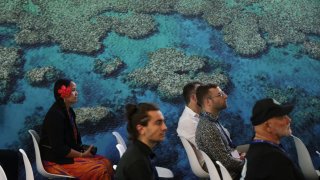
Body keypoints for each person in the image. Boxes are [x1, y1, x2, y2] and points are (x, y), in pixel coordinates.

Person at [39, 78, 113, 179]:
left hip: (66, 155)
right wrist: (82, 155)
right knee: (100, 170)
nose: (76, 93)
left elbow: (73, 141)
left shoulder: (69, 112)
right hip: (55, 161)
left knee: (107, 162)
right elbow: (59, 148)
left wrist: (82, 151)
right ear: (63, 93)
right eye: (73, 90)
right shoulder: (55, 116)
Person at [242, 98, 305, 180]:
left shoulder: (256, 150)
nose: (289, 120)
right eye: (282, 117)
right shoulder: (274, 158)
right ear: (268, 126)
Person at [195, 83, 244, 179]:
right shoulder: (209, 128)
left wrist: (238, 155)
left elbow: (226, 150)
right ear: (208, 102)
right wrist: (246, 162)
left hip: (231, 161)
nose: (226, 96)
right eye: (220, 94)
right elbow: (226, 162)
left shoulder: (210, 120)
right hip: (231, 174)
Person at [115, 103, 167, 180]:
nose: (165, 127)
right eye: (158, 123)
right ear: (141, 129)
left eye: (163, 122)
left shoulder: (138, 152)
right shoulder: (138, 163)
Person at [176, 81, 205, 166]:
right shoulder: (187, 121)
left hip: (222, 155)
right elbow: (209, 148)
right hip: (212, 162)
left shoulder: (198, 116)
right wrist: (235, 156)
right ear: (193, 98)